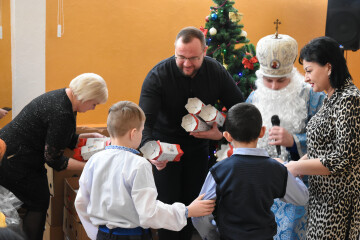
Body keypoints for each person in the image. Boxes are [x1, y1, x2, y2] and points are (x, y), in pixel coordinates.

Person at [139, 26, 244, 240]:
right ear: (174, 51)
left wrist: (220, 132)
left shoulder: (215, 71)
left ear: (205, 51)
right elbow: (144, 123)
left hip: (198, 150)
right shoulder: (157, 75)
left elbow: (239, 109)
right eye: (181, 57)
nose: (187, 64)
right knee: (169, 212)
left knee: (196, 209)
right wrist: (152, 153)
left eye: (194, 58)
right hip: (164, 153)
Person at [75, 101, 215, 240]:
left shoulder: (94, 160)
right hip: (132, 236)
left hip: (102, 234)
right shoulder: (139, 164)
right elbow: (149, 213)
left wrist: (95, 234)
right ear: (133, 133)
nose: (142, 134)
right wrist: (186, 211)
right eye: (142, 131)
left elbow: (81, 202)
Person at [0, 73, 108, 240]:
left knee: (37, 199)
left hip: (12, 151)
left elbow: (58, 137)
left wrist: (85, 136)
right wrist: (90, 167)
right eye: (94, 104)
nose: (93, 108)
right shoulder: (62, 113)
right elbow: (54, 160)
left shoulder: (63, 97)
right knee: (39, 201)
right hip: (14, 159)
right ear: (85, 97)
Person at [246, 33, 325, 239]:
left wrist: (294, 141)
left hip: (301, 185)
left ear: (292, 75)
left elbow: (328, 142)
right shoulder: (254, 97)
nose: (273, 87)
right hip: (261, 184)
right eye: (268, 80)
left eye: (281, 80)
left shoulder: (314, 96)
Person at [191, 102, 309, 240]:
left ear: (227, 136)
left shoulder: (218, 171)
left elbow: (199, 216)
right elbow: (302, 198)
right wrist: (291, 169)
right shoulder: (276, 169)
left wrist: (213, 236)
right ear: (262, 132)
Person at [286, 36, 360, 240]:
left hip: (338, 203)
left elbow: (343, 158)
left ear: (328, 67)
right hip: (323, 198)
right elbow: (324, 146)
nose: (306, 77)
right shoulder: (332, 97)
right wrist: (299, 163)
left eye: (309, 70)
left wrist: (296, 167)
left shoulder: (349, 100)